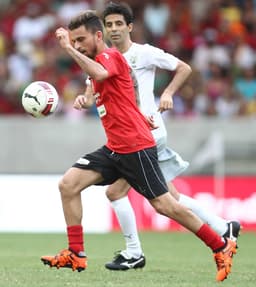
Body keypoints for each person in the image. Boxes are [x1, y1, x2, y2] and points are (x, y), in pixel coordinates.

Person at [40, 10, 237, 282]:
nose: (77, 46)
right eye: (74, 42)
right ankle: (76, 253)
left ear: (98, 36)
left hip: (135, 147)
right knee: (68, 185)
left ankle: (219, 244)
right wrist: (137, 114)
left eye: (81, 40)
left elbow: (98, 71)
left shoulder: (107, 57)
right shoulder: (105, 62)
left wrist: (66, 49)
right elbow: (127, 86)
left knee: (166, 205)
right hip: (115, 148)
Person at [101, 2, 240, 271]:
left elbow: (184, 68)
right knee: (171, 198)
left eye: (119, 24)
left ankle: (133, 252)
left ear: (129, 27)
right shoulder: (106, 58)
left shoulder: (144, 53)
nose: (114, 29)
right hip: (135, 134)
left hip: (147, 134)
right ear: (105, 30)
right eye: (109, 25)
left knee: (116, 192)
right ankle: (225, 227)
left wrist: (167, 93)